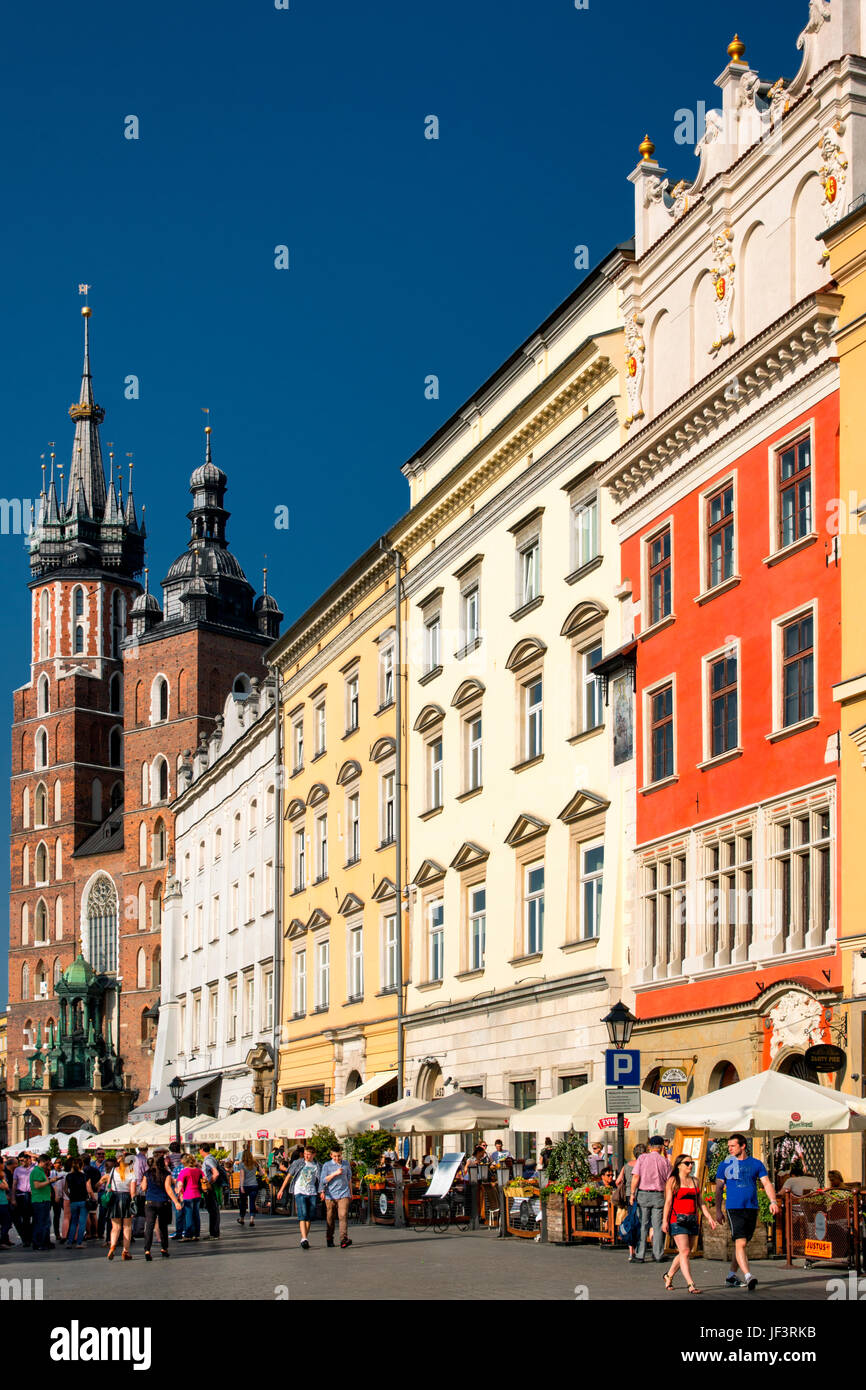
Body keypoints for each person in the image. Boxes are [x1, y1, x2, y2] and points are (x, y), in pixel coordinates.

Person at [715, 1133, 779, 1291]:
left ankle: (731, 1276)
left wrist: (773, 1201)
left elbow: (766, 1183)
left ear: (743, 1146)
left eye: (732, 1146)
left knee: (741, 1245)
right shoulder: (724, 1165)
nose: (729, 1148)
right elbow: (718, 1188)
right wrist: (718, 1210)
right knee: (741, 1242)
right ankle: (749, 1276)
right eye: (728, 1146)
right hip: (733, 1207)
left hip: (751, 1207)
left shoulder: (756, 1164)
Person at [662, 1153, 718, 1294]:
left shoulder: (695, 1181)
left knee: (685, 1252)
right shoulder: (673, 1181)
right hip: (677, 1219)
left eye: (691, 1163)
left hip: (692, 1219)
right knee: (685, 1251)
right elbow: (668, 1202)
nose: (690, 1165)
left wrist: (709, 1217)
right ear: (679, 1165)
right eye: (687, 1163)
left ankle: (668, 1276)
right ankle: (690, 1284)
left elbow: (701, 1202)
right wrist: (664, 1221)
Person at [630, 1135, 672, 1263]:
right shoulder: (665, 1161)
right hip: (659, 1195)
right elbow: (670, 1181)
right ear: (661, 1148)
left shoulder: (642, 1158)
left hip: (643, 1193)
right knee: (658, 1225)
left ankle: (640, 1254)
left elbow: (636, 1177)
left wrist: (632, 1193)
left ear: (650, 1147)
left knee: (643, 1225)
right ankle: (658, 1254)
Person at [279, 1144, 320, 1249]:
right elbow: (289, 1176)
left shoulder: (318, 1165)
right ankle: (304, 1238)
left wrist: (323, 1191)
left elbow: (321, 1180)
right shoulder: (298, 1163)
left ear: (314, 1155)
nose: (306, 1156)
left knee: (309, 1217)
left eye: (309, 1155)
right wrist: (281, 1190)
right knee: (303, 1214)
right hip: (299, 1191)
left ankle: (304, 1237)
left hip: (312, 1192)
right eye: (305, 1154)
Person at [140, 1154, 180, 1260]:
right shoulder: (166, 1174)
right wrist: (176, 1202)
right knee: (163, 1226)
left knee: (149, 1226)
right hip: (163, 1202)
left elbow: (143, 1188)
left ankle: (147, 1250)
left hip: (150, 1202)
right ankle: (164, 1248)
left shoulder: (147, 1173)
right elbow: (168, 1188)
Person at [104, 1152, 138, 1260]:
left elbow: (108, 1186)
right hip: (127, 1198)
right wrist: (134, 1202)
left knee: (115, 1227)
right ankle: (125, 1251)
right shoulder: (132, 1173)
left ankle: (112, 1247)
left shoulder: (113, 1170)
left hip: (114, 1197)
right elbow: (133, 1192)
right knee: (127, 1227)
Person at [319, 1145, 353, 1249]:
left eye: (338, 1156)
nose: (337, 1158)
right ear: (331, 1155)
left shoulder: (346, 1164)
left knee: (343, 1215)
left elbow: (349, 1179)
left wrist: (351, 1192)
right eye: (334, 1156)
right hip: (330, 1195)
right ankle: (329, 1238)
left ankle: (343, 1239)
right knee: (330, 1217)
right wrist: (335, 1173)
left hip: (344, 1193)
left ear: (341, 1155)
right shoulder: (327, 1165)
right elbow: (323, 1180)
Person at [29, 1154, 59, 1251]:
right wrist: (50, 1181)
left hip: (44, 1199)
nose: (48, 1165)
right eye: (47, 1163)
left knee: (45, 1222)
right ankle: (39, 1242)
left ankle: (45, 1241)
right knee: (40, 1222)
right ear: (42, 1161)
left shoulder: (41, 1171)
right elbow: (37, 1185)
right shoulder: (37, 1171)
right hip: (39, 1200)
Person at [64, 1157, 93, 1249]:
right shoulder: (84, 1176)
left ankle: (69, 1241)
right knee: (82, 1222)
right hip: (83, 1200)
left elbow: (65, 1189)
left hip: (73, 1201)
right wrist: (93, 1198)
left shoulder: (68, 1176)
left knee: (73, 1222)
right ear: (82, 1165)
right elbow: (89, 1189)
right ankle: (79, 1242)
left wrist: (70, 1196)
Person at [176, 1152, 204, 1241]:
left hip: (188, 1195)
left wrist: (177, 1193)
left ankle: (188, 1235)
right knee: (196, 1215)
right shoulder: (198, 1170)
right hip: (198, 1194)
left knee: (188, 1215)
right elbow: (205, 1179)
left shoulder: (184, 1171)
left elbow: (180, 1184)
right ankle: (196, 1234)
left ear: (184, 1162)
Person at [11, 1152, 34, 1247]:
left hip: (32, 1195)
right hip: (21, 1195)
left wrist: (30, 1154)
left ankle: (31, 1237)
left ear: (28, 1159)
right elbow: (14, 1184)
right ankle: (26, 1239)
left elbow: (43, 1160)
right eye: (19, 1160)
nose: (21, 1162)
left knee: (35, 1217)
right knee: (25, 1219)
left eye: (22, 1160)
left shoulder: (34, 1167)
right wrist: (13, 1198)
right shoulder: (17, 1170)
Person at [199, 1144, 222, 1239]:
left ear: (202, 1150)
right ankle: (214, 1232)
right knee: (213, 1210)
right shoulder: (211, 1159)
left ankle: (214, 1233)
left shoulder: (208, 1160)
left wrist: (209, 1183)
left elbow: (216, 1173)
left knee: (213, 1210)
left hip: (210, 1189)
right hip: (212, 1188)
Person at [235, 1147, 260, 1228]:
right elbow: (262, 1173)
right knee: (252, 1202)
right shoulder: (255, 1163)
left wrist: (241, 1186)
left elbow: (242, 1176)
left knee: (242, 1202)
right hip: (254, 1185)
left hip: (245, 1185)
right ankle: (252, 1219)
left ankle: (242, 1218)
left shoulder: (242, 1164)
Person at [0, 1163, 13, 1248]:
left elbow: (6, 1187)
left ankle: (4, 1240)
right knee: (7, 1223)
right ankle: (2, 1242)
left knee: (6, 1222)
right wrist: (4, 1179)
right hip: (1, 1203)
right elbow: (5, 1187)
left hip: (3, 1202)